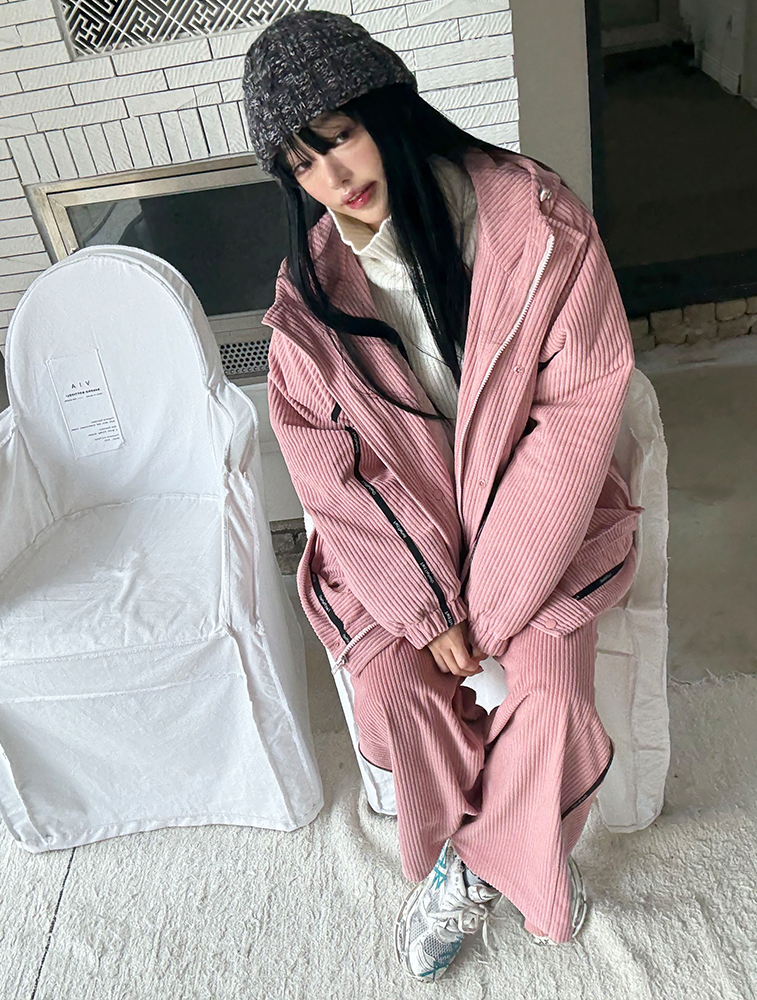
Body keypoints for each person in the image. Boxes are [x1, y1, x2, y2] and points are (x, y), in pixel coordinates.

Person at [242, 9, 643, 982]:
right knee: (394, 693)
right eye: (303, 163)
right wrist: (425, 613)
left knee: (549, 695)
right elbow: (332, 479)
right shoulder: (309, 304)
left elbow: (574, 416)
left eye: (340, 134)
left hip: (540, 533)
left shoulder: (539, 229)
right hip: (397, 558)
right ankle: (492, 848)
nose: (333, 176)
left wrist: (490, 608)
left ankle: (482, 866)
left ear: (386, 109)